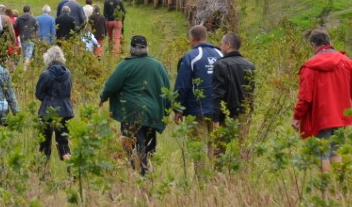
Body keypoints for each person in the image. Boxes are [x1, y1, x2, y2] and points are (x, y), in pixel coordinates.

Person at [293, 29, 352, 173]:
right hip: (341, 115)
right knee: (335, 150)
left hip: (320, 117)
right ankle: (338, 185)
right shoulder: (346, 62)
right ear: (329, 42)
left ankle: (325, 187)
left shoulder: (310, 66)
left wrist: (297, 117)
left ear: (313, 45)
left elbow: (305, 97)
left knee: (322, 152)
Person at [99, 35, 172, 175]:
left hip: (131, 113)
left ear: (131, 49)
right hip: (152, 113)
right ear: (146, 49)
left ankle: (140, 173)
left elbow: (111, 86)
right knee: (148, 146)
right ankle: (146, 172)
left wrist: (103, 98)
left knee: (133, 146)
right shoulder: (158, 65)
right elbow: (167, 90)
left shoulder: (125, 65)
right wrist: (167, 111)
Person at [174, 25, 223, 173]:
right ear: (205, 37)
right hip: (219, 110)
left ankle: (202, 182)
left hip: (197, 110)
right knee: (215, 146)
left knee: (199, 147)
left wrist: (177, 108)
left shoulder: (191, 57)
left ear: (191, 38)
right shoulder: (221, 54)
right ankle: (218, 178)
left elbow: (182, 85)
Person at [212, 32, 255, 160]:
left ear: (228, 45)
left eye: (221, 44)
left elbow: (218, 94)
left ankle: (218, 176)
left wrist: (216, 118)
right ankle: (243, 174)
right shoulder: (250, 65)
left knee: (219, 149)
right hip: (244, 112)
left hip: (226, 114)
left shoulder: (220, 65)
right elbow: (250, 92)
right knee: (243, 145)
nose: (220, 47)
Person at [35, 46, 74, 161]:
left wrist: (47, 100)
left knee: (44, 143)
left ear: (48, 59)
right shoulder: (68, 74)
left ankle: (43, 173)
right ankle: (72, 171)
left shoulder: (45, 74)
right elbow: (69, 91)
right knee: (63, 143)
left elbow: (39, 93)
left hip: (47, 111)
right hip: (65, 111)